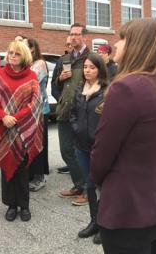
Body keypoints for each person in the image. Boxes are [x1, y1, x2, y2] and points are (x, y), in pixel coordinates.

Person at [90, 19, 156, 254]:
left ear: (137, 45)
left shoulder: (126, 88)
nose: (116, 43)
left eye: (123, 38)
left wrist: (98, 179)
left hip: (130, 211)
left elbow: (101, 156)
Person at [0, 40, 43, 222]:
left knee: (22, 170)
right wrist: (2, 116)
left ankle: (24, 206)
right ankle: (11, 205)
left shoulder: (31, 76)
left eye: (16, 53)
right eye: (10, 53)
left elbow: (35, 103)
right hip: (3, 127)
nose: (12, 56)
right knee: (6, 165)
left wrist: (15, 117)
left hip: (22, 128)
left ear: (24, 55)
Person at [70, 53, 108, 241]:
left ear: (100, 69)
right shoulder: (79, 90)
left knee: (103, 186)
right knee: (90, 185)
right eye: (85, 67)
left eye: (92, 67)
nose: (87, 70)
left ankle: (105, 225)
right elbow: (73, 114)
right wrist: (76, 129)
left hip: (99, 147)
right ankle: (94, 221)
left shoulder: (106, 91)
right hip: (81, 146)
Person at [55, 24, 89, 205]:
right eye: (71, 34)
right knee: (66, 150)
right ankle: (79, 184)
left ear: (84, 37)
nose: (74, 37)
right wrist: (60, 80)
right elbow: (56, 86)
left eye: (77, 34)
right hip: (65, 111)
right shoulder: (64, 59)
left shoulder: (91, 58)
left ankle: (86, 189)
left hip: (83, 112)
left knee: (83, 152)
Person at [27, 38, 50, 192]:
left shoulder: (39, 64)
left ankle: (39, 176)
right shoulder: (27, 65)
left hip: (40, 111)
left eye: (27, 47)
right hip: (28, 112)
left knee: (39, 144)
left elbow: (30, 83)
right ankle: (31, 174)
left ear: (34, 48)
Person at [52, 35, 72, 175]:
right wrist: (60, 78)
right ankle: (71, 164)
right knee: (66, 146)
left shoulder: (88, 60)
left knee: (79, 145)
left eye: (72, 43)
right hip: (64, 108)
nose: (70, 46)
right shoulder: (62, 61)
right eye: (68, 44)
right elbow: (54, 84)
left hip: (80, 109)